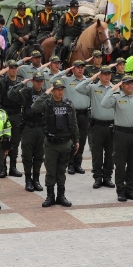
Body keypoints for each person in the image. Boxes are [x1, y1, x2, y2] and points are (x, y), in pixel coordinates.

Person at [101, 76, 133, 202]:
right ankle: (121, 191)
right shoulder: (117, 97)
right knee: (120, 164)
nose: (130, 86)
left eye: (132, 83)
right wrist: (113, 89)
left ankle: (130, 190)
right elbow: (104, 103)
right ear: (122, 85)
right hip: (121, 135)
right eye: (127, 84)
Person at [32, 79, 80, 207]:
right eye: (57, 89)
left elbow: (74, 123)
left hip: (65, 143)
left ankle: (61, 196)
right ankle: (50, 196)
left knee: (61, 171)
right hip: (51, 144)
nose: (60, 91)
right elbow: (35, 107)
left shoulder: (69, 104)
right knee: (51, 171)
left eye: (62, 89)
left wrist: (76, 140)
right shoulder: (47, 104)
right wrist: (46, 93)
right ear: (52, 90)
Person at [51, 60, 92, 175]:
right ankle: (70, 163)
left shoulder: (87, 81)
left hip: (84, 114)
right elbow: (53, 80)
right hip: (70, 114)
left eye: (82, 67)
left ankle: (78, 163)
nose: (80, 69)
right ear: (73, 69)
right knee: (71, 139)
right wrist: (65, 71)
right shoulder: (67, 80)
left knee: (82, 140)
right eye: (77, 67)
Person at [9, 74, 48, 193]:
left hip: (41, 128)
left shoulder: (46, 94)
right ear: (32, 81)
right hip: (28, 127)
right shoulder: (26, 92)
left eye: (41, 81)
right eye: (37, 81)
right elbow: (11, 94)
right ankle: (28, 180)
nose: (39, 83)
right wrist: (22, 83)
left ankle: (36, 179)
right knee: (27, 156)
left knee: (39, 155)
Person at [85, 67, 118, 188]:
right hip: (97, 125)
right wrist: (93, 77)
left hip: (111, 125)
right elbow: (79, 88)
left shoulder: (115, 88)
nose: (107, 76)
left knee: (110, 153)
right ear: (100, 75)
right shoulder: (93, 87)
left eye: (109, 74)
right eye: (104, 74)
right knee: (97, 153)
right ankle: (98, 177)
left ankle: (108, 177)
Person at [0, 59, 24, 178]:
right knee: (4, 141)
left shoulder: (20, 81)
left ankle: (13, 167)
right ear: (7, 69)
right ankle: (3, 167)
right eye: (11, 68)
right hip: (5, 113)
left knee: (15, 142)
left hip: (16, 114)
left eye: (15, 67)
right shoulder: (2, 81)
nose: (14, 70)